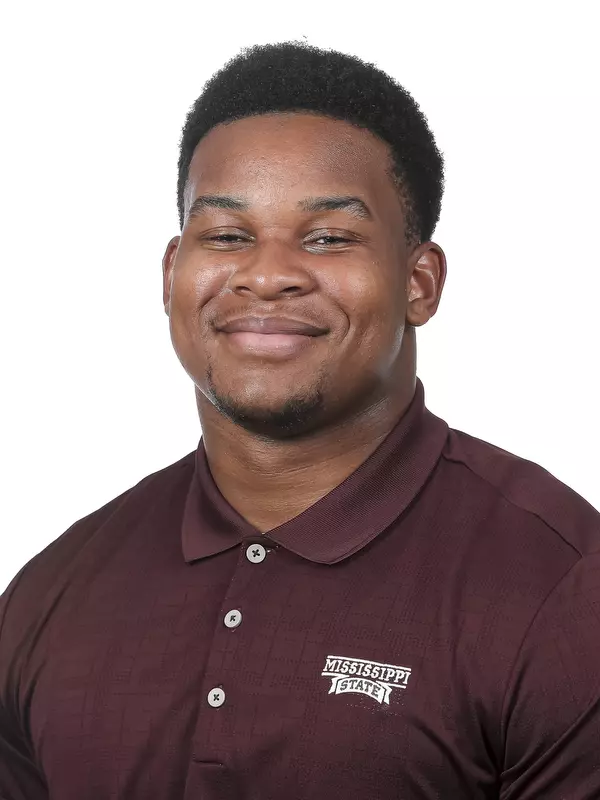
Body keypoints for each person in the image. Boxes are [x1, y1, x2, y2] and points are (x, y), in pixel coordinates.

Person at [1, 41, 599, 800]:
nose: (267, 273)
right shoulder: (50, 595)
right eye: (225, 236)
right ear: (171, 274)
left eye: (327, 237)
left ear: (420, 282)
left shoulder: (563, 587)